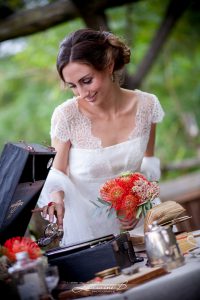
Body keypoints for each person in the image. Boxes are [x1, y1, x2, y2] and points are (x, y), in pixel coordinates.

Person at [36, 28, 164, 247]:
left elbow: (148, 166)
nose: (82, 93)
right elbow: (57, 172)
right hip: (90, 232)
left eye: (86, 81)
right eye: (73, 86)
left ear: (108, 65)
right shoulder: (67, 115)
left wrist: (137, 203)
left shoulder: (147, 106)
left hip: (139, 222)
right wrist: (56, 198)